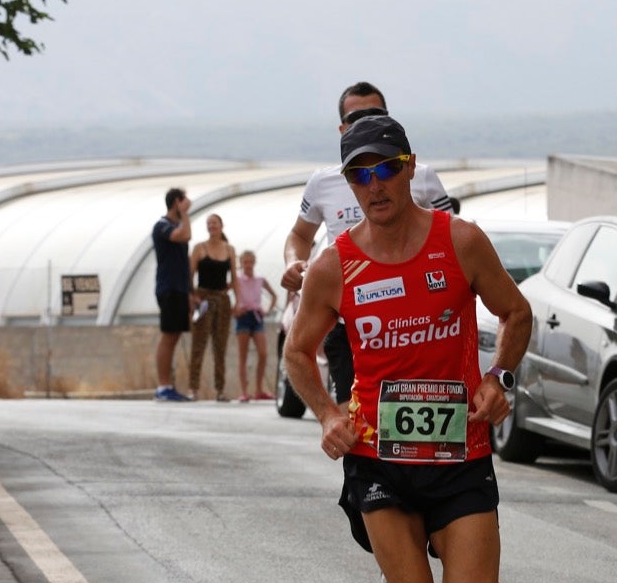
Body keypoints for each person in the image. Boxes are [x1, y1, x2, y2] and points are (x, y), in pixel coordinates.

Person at [283, 115, 530, 583]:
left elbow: (516, 315)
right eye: (359, 174)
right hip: (377, 459)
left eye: (385, 168)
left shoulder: (460, 242)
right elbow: (298, 353)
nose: (375, 185)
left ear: (409, 167)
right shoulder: (335, 263)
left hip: (459, 453)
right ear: (347, 183)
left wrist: (499, 383)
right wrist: (331, 415)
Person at [280, 81, 458, 407]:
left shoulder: (422, 174)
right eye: (356, 117)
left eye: (376, 114)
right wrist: (294, 262)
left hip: (420, 321)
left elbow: (453, 240)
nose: (374, 185)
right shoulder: (323, 181)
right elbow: (300, 236)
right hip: (350, 319)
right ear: (341, 128)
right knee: (359, 421)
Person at [152, 188, 194, 402]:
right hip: (167, 288)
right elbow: (185, 235)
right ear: (176, 202)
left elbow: (186, 261)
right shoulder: (162, 226)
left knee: (175, 334)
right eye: (184, 200)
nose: (189, 203)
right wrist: (184, 214)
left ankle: (168, 384)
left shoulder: (177, 225)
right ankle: (162, 386)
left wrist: (190, 291)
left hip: (180, 288)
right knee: (168, 335)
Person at [189, 213, 236, 400]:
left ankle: (221, 389)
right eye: (209, 224)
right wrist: (192, 298)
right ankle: (193, 388)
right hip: (203, 298)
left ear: (221, 225)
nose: (212, 226)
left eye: (214, 223)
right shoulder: (199, 248)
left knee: (220, 345)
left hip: (222, 299)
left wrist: (238, 300)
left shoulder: (229, 249)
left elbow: (234, 278)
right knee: (198, 343)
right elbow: (190, 275)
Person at [232, 249, 278, 402]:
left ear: (254, 263)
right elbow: (223, 293)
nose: (248, 265)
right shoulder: (237, 279)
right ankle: (244, 392)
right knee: (243, 356)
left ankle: (259, 389)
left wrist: (267, 311)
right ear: (241, 263)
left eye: (250, 262)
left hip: (257, 317)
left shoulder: (260, 280)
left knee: (263, 353)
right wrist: (234, 310)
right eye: (245, 262)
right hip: (243, 316)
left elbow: (274, 295)